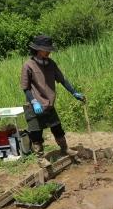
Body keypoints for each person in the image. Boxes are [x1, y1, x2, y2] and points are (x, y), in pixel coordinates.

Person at [21, 35, 85, 168]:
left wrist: (74, 92)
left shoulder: (51, 64)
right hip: (34, 105)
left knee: (57, 128)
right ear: (38, 50)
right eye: (46, 49)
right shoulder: (28, 65)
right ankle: (40, 158)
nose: (49, 52)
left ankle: (64, 148)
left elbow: (62, 80)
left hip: (49, 104)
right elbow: (25, 88)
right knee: (36, 133)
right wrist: (33, 101)